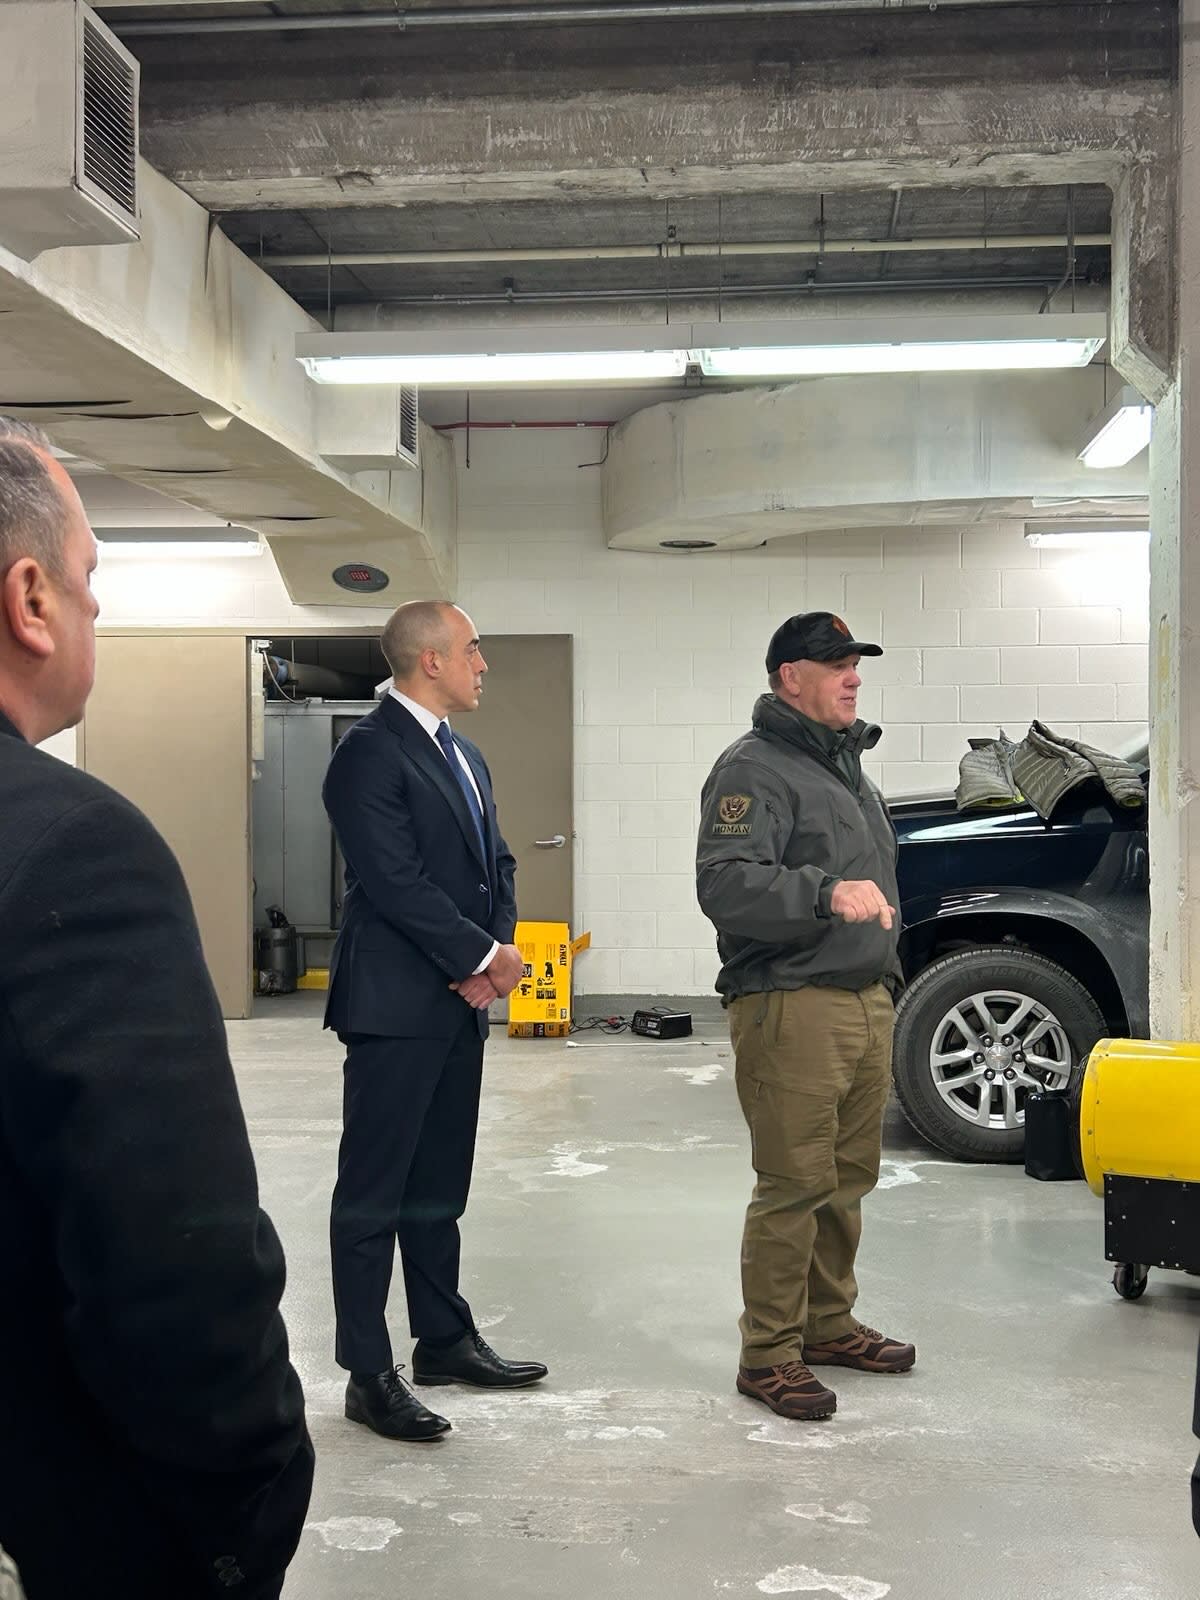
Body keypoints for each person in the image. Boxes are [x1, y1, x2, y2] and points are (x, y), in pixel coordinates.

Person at [0, 417, 313, 1597]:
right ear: (30, 600)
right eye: (90, 584)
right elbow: (172, 1260)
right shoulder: (74, 851)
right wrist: (237, 1504)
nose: (95, 616)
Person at [323, 599, 547, 1443]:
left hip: (459, 1001)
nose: (483, 664)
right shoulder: (367, 754)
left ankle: (443, 1339)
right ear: (430, 662)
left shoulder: (465, 754)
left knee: (438, 1186)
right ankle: (366, 1371)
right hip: (394, 1005)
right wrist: (476, 959)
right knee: (373, 1193)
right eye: (474, 650)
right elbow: (394, 880)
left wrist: (496, 953)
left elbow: (499, 863)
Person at [696, 610, 916, 1423]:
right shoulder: (753, 770)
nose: (853, 676)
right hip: (793, 1003)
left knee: (847, 1178)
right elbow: (724, 885)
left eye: (856, 662)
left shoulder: (846, 768)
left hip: (863, 1000)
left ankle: (827, 1325)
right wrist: (824, 892)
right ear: (790, 676)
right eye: (836, 665)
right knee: (792, 1185)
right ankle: (769, 1356)